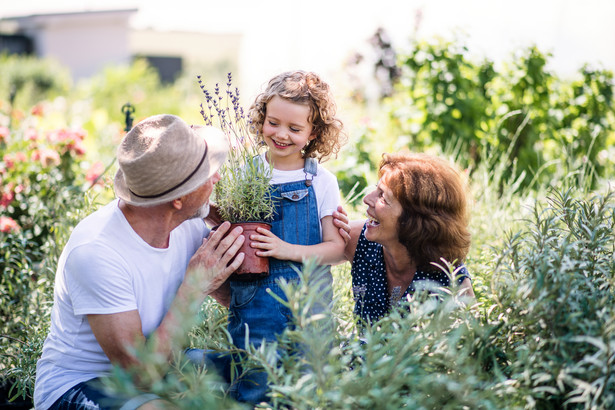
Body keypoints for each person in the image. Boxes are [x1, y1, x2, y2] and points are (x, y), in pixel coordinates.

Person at [33, 114, 246, 409]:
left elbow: (233, 297)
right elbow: (139, 377)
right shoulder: (97, 252)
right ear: (178, 199)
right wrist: (194, 288)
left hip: (162, 365)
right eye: (207, 174)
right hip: (82, 384)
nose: (217, 178)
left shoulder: (188, 221)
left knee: (254, 371)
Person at [201, 70, 347, 404]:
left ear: (313, 133)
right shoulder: (243, 174)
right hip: (255, 300)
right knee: (256, 378)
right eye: (273, 122)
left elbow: (335, 248)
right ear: (261, 119)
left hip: (310, 302)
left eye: (295, 129)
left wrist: (285, 249)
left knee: (308, 382)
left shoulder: (322, 181)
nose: (281, 134)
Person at [332, 152, 475, 325]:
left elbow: (472, 343)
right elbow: (302, 256)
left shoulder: (450, 276)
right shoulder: (358, 240)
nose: (366, 199)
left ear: (414, 219)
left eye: (383, 197)